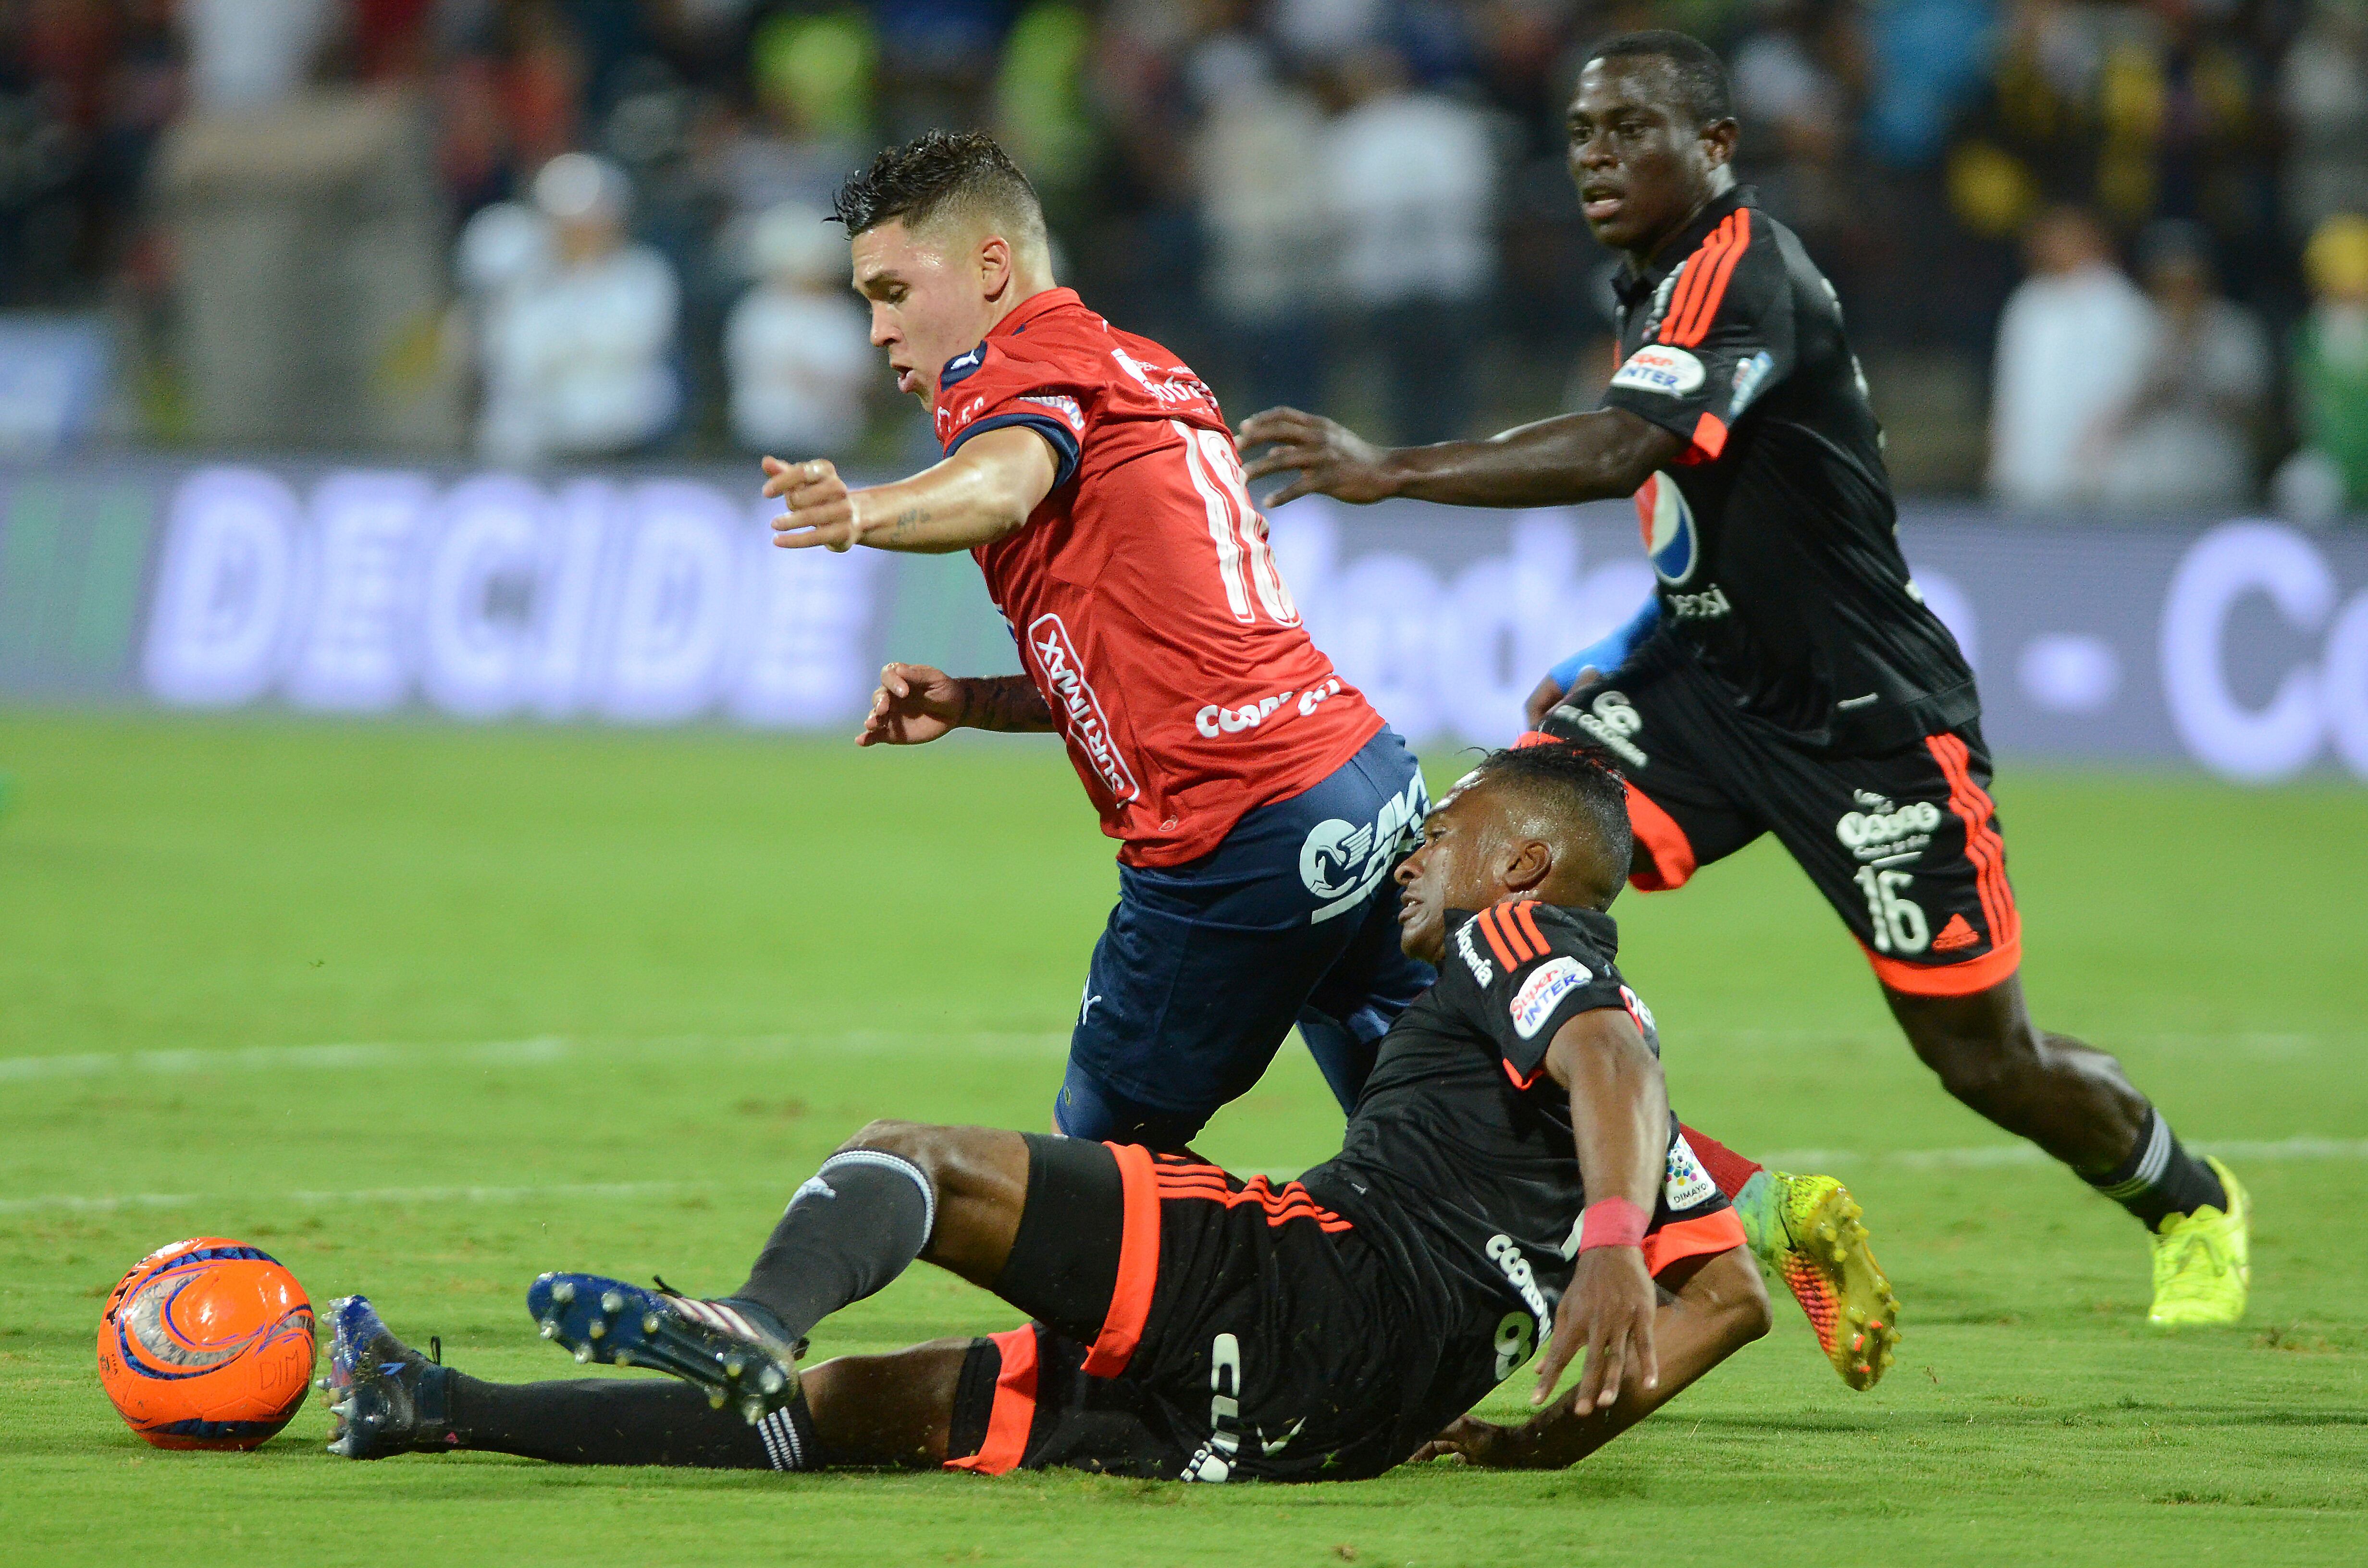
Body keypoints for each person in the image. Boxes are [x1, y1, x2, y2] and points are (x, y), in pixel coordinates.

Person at [1237, 30, 2249, 1328]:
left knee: (1982, 1057)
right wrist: (1619, 653)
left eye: (1631, 130)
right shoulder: (1656, 287)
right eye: (1582, 134)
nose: (1596, 158)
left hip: (1868, 729)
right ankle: (1746, 1211)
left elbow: (1627, 447)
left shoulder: (1743, 267)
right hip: (1701, 695)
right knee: (1467, 899)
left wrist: (1392, 469)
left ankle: (2190, 1201)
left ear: (1715, 145)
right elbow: (1721, 522)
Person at [320, 740, 1773, 1480]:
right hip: (1320, 1428)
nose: (1416, 856)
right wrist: (1540, 1440)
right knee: (862, 1411)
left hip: (1309, 1288)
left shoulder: (1524, 942)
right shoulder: (1616, 1075)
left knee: (914, 1162)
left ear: (1520, 859)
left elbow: (1605, 1058)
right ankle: (434, 1406)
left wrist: (1604, 1244)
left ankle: (755, 1311)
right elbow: (1730, 1297)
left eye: (1443, 831)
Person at [752, 130, 1434, 1152]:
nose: (879, 331)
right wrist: (975, 701)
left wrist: (863, 510)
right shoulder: (1145, 365)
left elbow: (1002, 484)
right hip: (1358, 780)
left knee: (1097, 1168)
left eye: (893, 292)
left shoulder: (1008, 365)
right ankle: (1701, 1217)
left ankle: (1266, 1266)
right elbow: (1158, 659)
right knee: (1457, 1136)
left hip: (1235, 825)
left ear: (991, 266)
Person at [1986, 204, 2153, 509]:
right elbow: (2009, 389)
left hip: (2098, 474)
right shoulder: (2028, 300)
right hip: (2026, 470)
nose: (2049, 246)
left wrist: (2098, 447)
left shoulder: (2120, 305)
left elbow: (2135, 387)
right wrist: (1998, 453)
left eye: (2060, 236)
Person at [2096, 222, 2269, 511]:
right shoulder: (2131, 325)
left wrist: (2196, 364)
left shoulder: (2235, 330)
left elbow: (2255, 422)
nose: (2181, 293)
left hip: (2219, 479)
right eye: (2169, 282)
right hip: (2145, 483)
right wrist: (2163, 372)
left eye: (2190, 282)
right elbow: (2111, 419)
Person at [724, 202, 877, 457]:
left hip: (830, 438)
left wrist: (819, 378)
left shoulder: (842, 314)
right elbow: (747, 363)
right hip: (764, 434)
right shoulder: (758, 309)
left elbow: (862, 374)